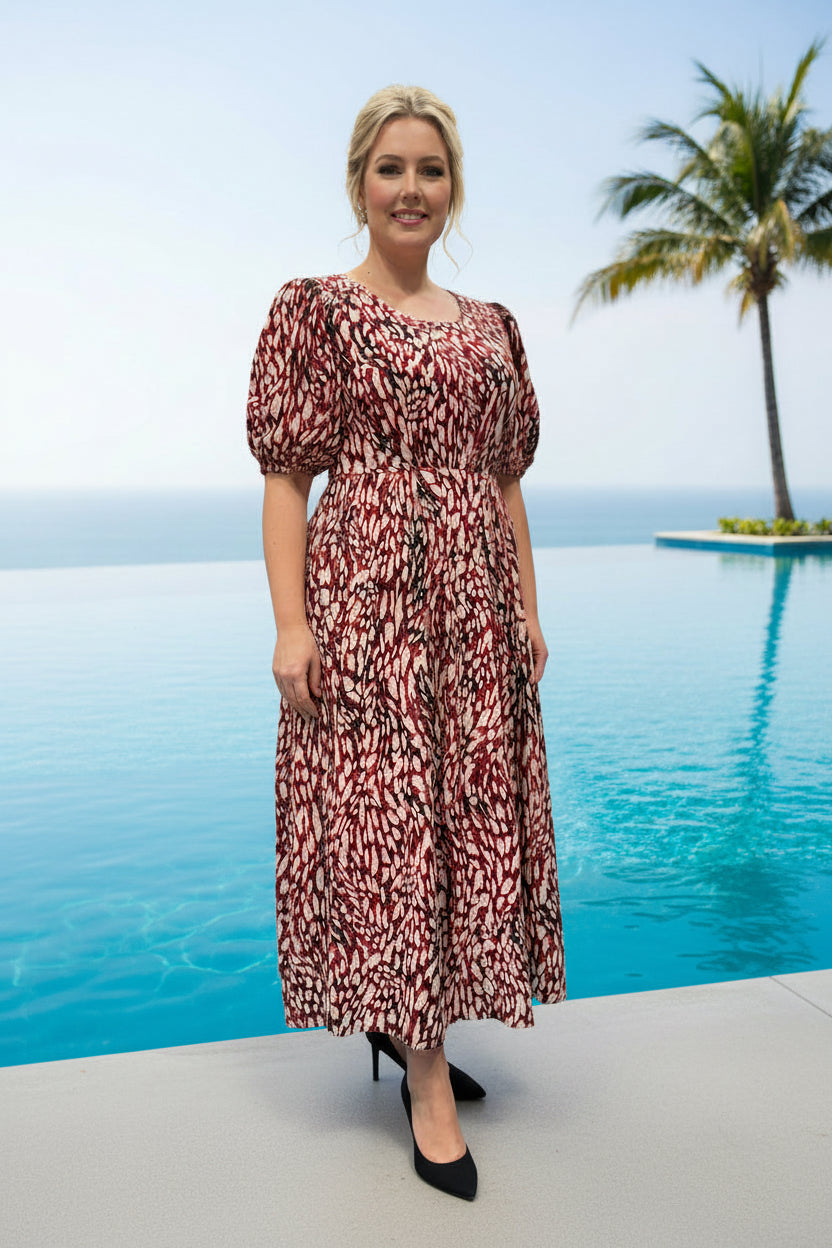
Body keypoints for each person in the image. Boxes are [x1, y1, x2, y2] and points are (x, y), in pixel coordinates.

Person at [246, 84, 566, 1202]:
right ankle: (425, 1081)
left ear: (453, 188)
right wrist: (292, 624)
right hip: (367, 605)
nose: (411, 188)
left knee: (462, 820)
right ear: (358, 184)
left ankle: (411, 1023)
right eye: (391, 168)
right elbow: (287, 479)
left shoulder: (492, 327)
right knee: (390, 829)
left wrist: (527, 609)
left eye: (431, 169)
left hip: (475, 612)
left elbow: (506, 483)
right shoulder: (316, 312)